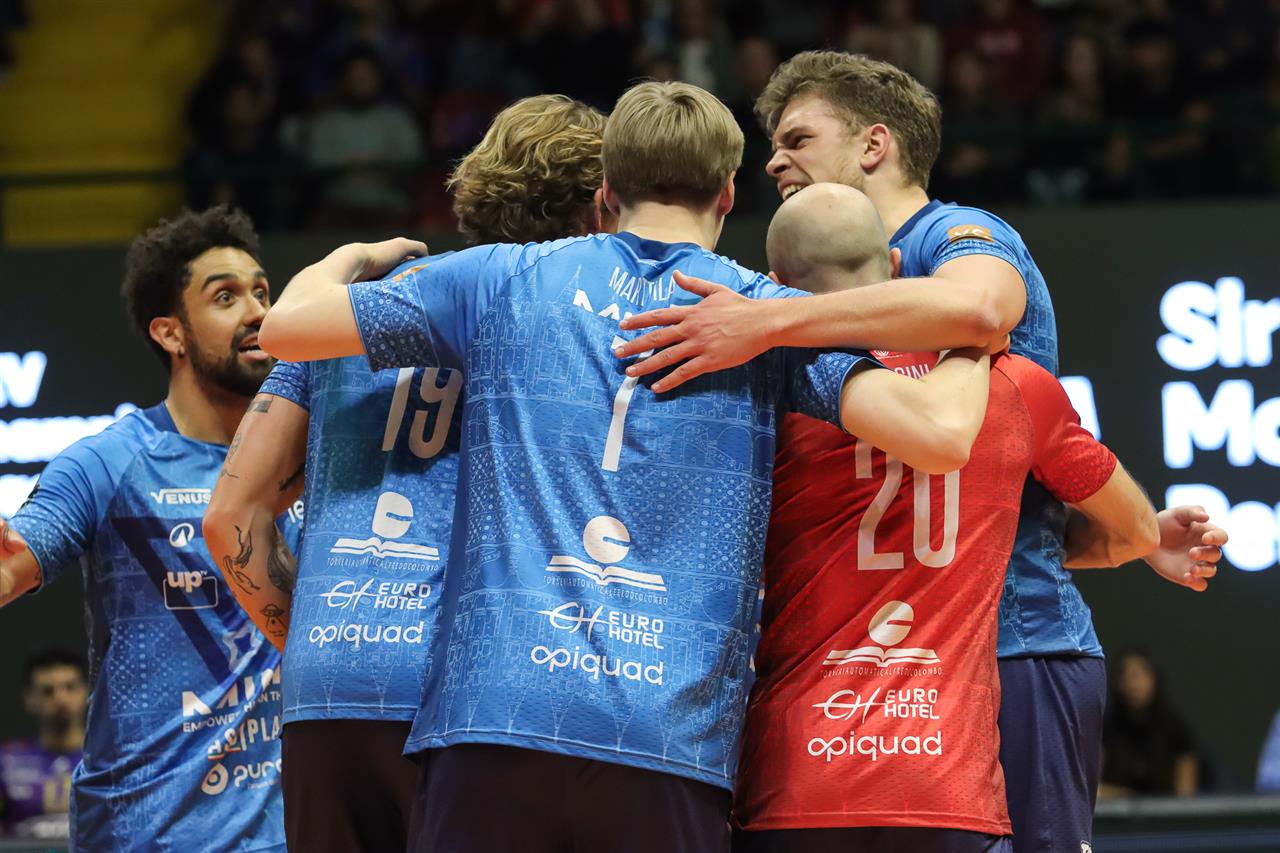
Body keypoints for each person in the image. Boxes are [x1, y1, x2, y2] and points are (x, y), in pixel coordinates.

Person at [257, 80, 994, 852]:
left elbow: (286, 329)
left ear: (607, 191)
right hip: (666, 737)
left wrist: (349, 257)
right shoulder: (755, 316)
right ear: (727, 192)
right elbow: (939, 434)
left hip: (494, 714)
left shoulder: (499, 277)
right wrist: (976, 341)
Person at [613, 50, 1224, 853]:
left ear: (874, 145)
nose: (774, 162)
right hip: (890, 652)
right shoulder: (823, 302)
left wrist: (766, 318)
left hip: (1008, 645)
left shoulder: (954, 235)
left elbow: (982, 310)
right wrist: (1117, 539)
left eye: (798, 138)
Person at [203, 94, 612, 853]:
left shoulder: (341, 316)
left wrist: (317, 637)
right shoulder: (572, 315)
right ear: (600, 205)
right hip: (468, 697)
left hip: (327, 687)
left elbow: (230, 517)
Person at [733, 183, 1157, 853]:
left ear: (780, 285)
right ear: (897, 267)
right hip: (945, 784)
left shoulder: (768, 393)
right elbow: (1138, 531)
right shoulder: (1016, 384)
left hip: (799, 780)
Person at [0, 206, 300, 852]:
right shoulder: (111, 462)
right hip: (147, 834)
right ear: (170, 333)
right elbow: (12, 563)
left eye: (262, 292)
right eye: (225, 297)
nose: (257, 312)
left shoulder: (308, 457)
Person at [0, 649, 87, 839]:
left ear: (86, 692)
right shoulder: (6, 762)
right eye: (48, 691)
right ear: (29, 698)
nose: (61, 699)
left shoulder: (110, 761)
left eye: (70, 687)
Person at [1100, 649, 1200, 797]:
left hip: (1166, 808)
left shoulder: (1176, 729)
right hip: (1117, 808)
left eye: (1140, 675)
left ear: (1155, 680)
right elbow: (1093, 788)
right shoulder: (1105, 729)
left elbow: (1186, 794)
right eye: (1127, 676)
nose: (1134, 683)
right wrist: (1123, 795)